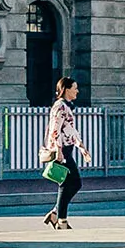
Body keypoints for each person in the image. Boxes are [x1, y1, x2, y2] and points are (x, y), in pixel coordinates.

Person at [41, 77, 84, 229]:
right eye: (75, 88)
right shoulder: (59, 106)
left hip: (67, 149)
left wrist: (81, 148)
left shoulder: (66, 106)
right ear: (66, 89)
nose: (77, 91)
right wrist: (59, 150)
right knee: (71, 183)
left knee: (68, 183)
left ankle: (56, 215)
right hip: (62, 150)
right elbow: (55, 130)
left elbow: (69, 130)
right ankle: (61, 220)